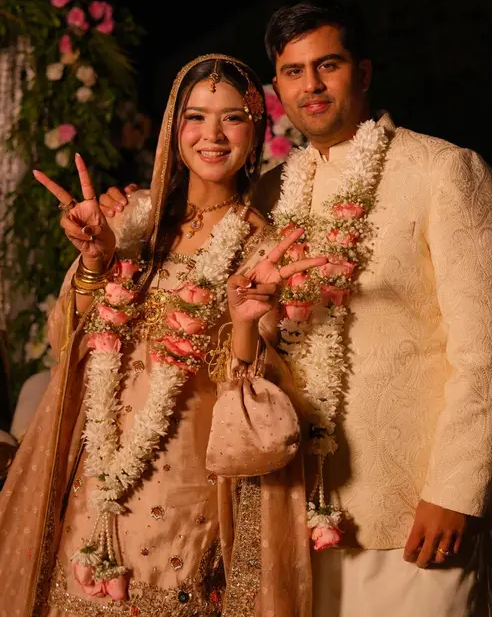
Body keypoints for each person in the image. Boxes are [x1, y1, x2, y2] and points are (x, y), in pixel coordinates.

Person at [103, 0, 492, 617]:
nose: (312, 85)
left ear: (364, 72)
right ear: (277, 89)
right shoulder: (271, 192)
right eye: (293, 71)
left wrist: (455, 491)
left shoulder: (444, 171)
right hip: (300, 507)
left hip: (416, 507)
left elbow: (489, 351)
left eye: (327, 65)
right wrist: (124, 221)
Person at [0, 54, 326, 617]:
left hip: (186, 491)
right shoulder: (131, 220)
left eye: (233, 118)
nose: (213, 136)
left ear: (258, 128)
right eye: (196, 117)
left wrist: (244, 323)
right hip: (95, 479)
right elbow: (67, 340)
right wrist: (96, 264)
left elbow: (265, 402)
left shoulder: (262, 245)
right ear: (175, 129)